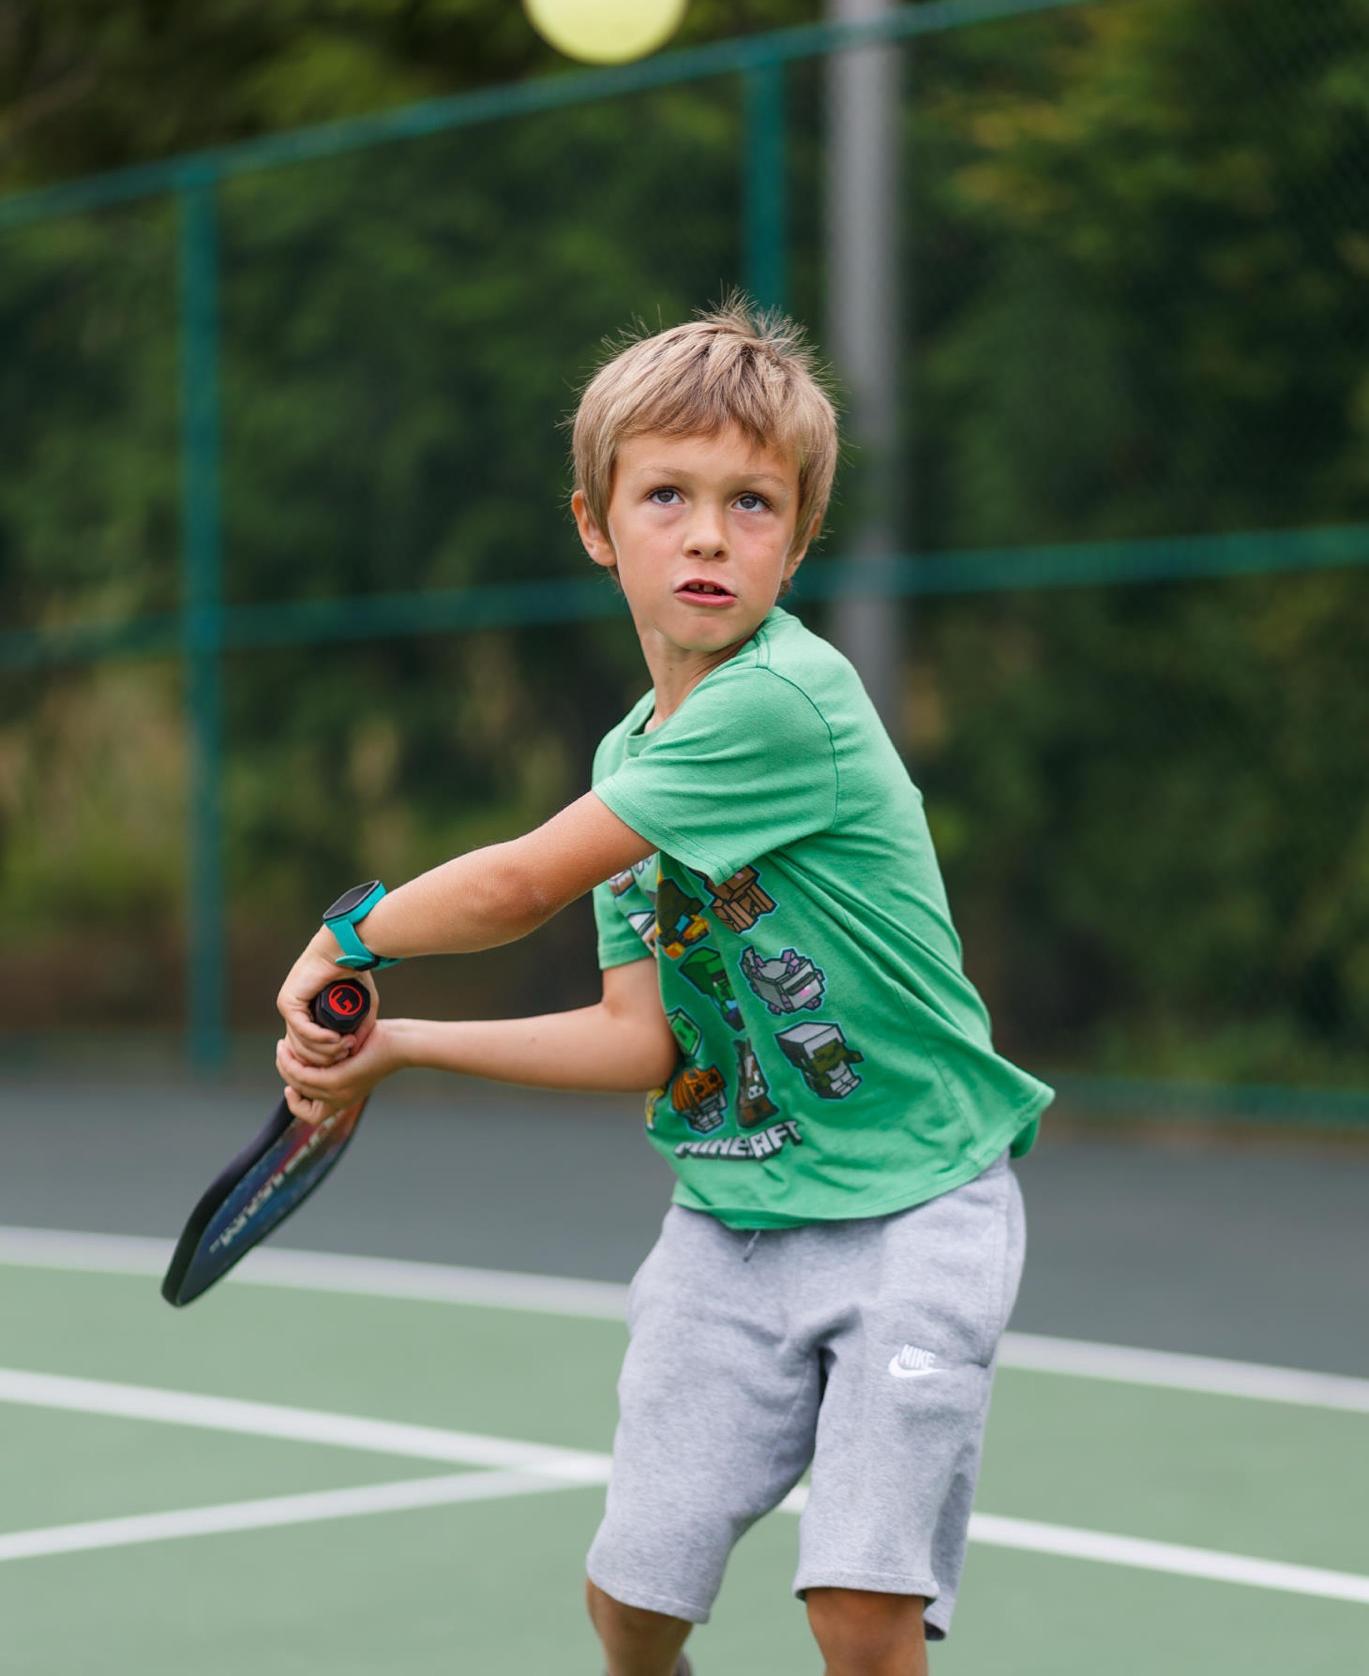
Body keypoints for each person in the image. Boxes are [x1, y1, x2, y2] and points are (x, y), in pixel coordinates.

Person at [276, 299, 1053, 1676]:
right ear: (595, 522)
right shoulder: (637, 762)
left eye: (752, 504)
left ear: (798, 541)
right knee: (632, 1607)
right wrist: (396, 1046)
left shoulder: (778, 704)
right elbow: (642, 1039)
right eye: (667, 496)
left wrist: (350, 937)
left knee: (859, 1608)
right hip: (731, 1225)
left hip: (918, 1209)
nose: (708, 533)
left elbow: (514, 886)